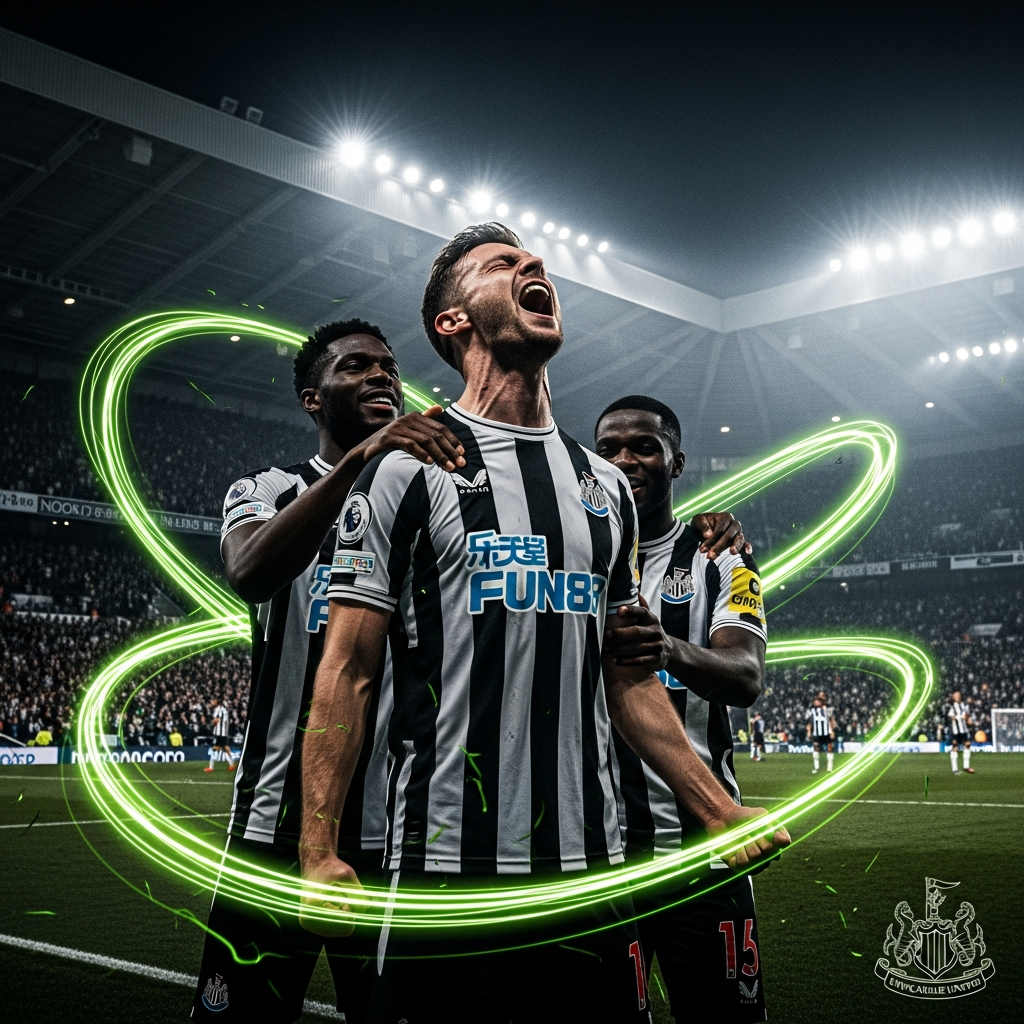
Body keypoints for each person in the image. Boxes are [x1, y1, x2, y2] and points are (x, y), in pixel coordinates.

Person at [298, 223, 790, 1023]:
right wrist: (319, 850)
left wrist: (715, 805)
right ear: (453, 324)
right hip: (444, 867)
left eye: (535, 260)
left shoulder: (604, 489)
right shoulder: (404, 470)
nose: (533, 264)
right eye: (502, 265)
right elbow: (348, 669)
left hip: (590, 872)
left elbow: (627, 673)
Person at [191, 318, 466, 1023]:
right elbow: (250, 571)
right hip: (270, 827)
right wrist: (359, 462)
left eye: (388, 366)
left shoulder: (433, 497)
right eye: (356, 367)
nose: (381, 376)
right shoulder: (266, 488)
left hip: (392, 831)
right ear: (313, 400)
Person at [597, 395, 770, 1023]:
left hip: (704, 849)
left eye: (643, 446)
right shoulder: (574, 551)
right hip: (605, 852)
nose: (626, 460)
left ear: (676, 462)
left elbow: (746, 674)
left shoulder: (720, 555)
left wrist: (666, 647)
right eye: (610, 449)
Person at [806, 695, 836, 774]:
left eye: (818, 701)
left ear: (821, 702)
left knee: (829, 748)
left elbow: (831, 721)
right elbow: (809, 722)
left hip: (826, 733)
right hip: (816, 733)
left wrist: (832, 731)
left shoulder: (827, 710)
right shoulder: (811, 711)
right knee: (816, 748)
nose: (816, 703)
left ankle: (830, 767)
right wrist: (809, 731)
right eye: (815, 702)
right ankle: (816, 767)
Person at [947, 690, 975, 774]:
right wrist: (959, 717)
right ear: (953, 697)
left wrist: (968, 720)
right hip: (955, 730)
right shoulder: (951, 706)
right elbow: (950, 717)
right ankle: (955, 769)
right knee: (955, 747)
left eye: (959, 695)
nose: (958, 696)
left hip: (963, 729)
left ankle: (966, 767)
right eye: (956, 695)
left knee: (967, 745)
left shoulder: (963, 705)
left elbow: (966, 715)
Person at [204, 700, 237, 772]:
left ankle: (211, 767)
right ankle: (231, 765)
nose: (211, 702)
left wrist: (210, 726)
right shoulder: (223, 710)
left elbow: (216, 720)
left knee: (215, 749)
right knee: (224, 749)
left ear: (217, 702)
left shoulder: (219, 710)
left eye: (213, 701)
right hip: (223, 733)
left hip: (220, 734)